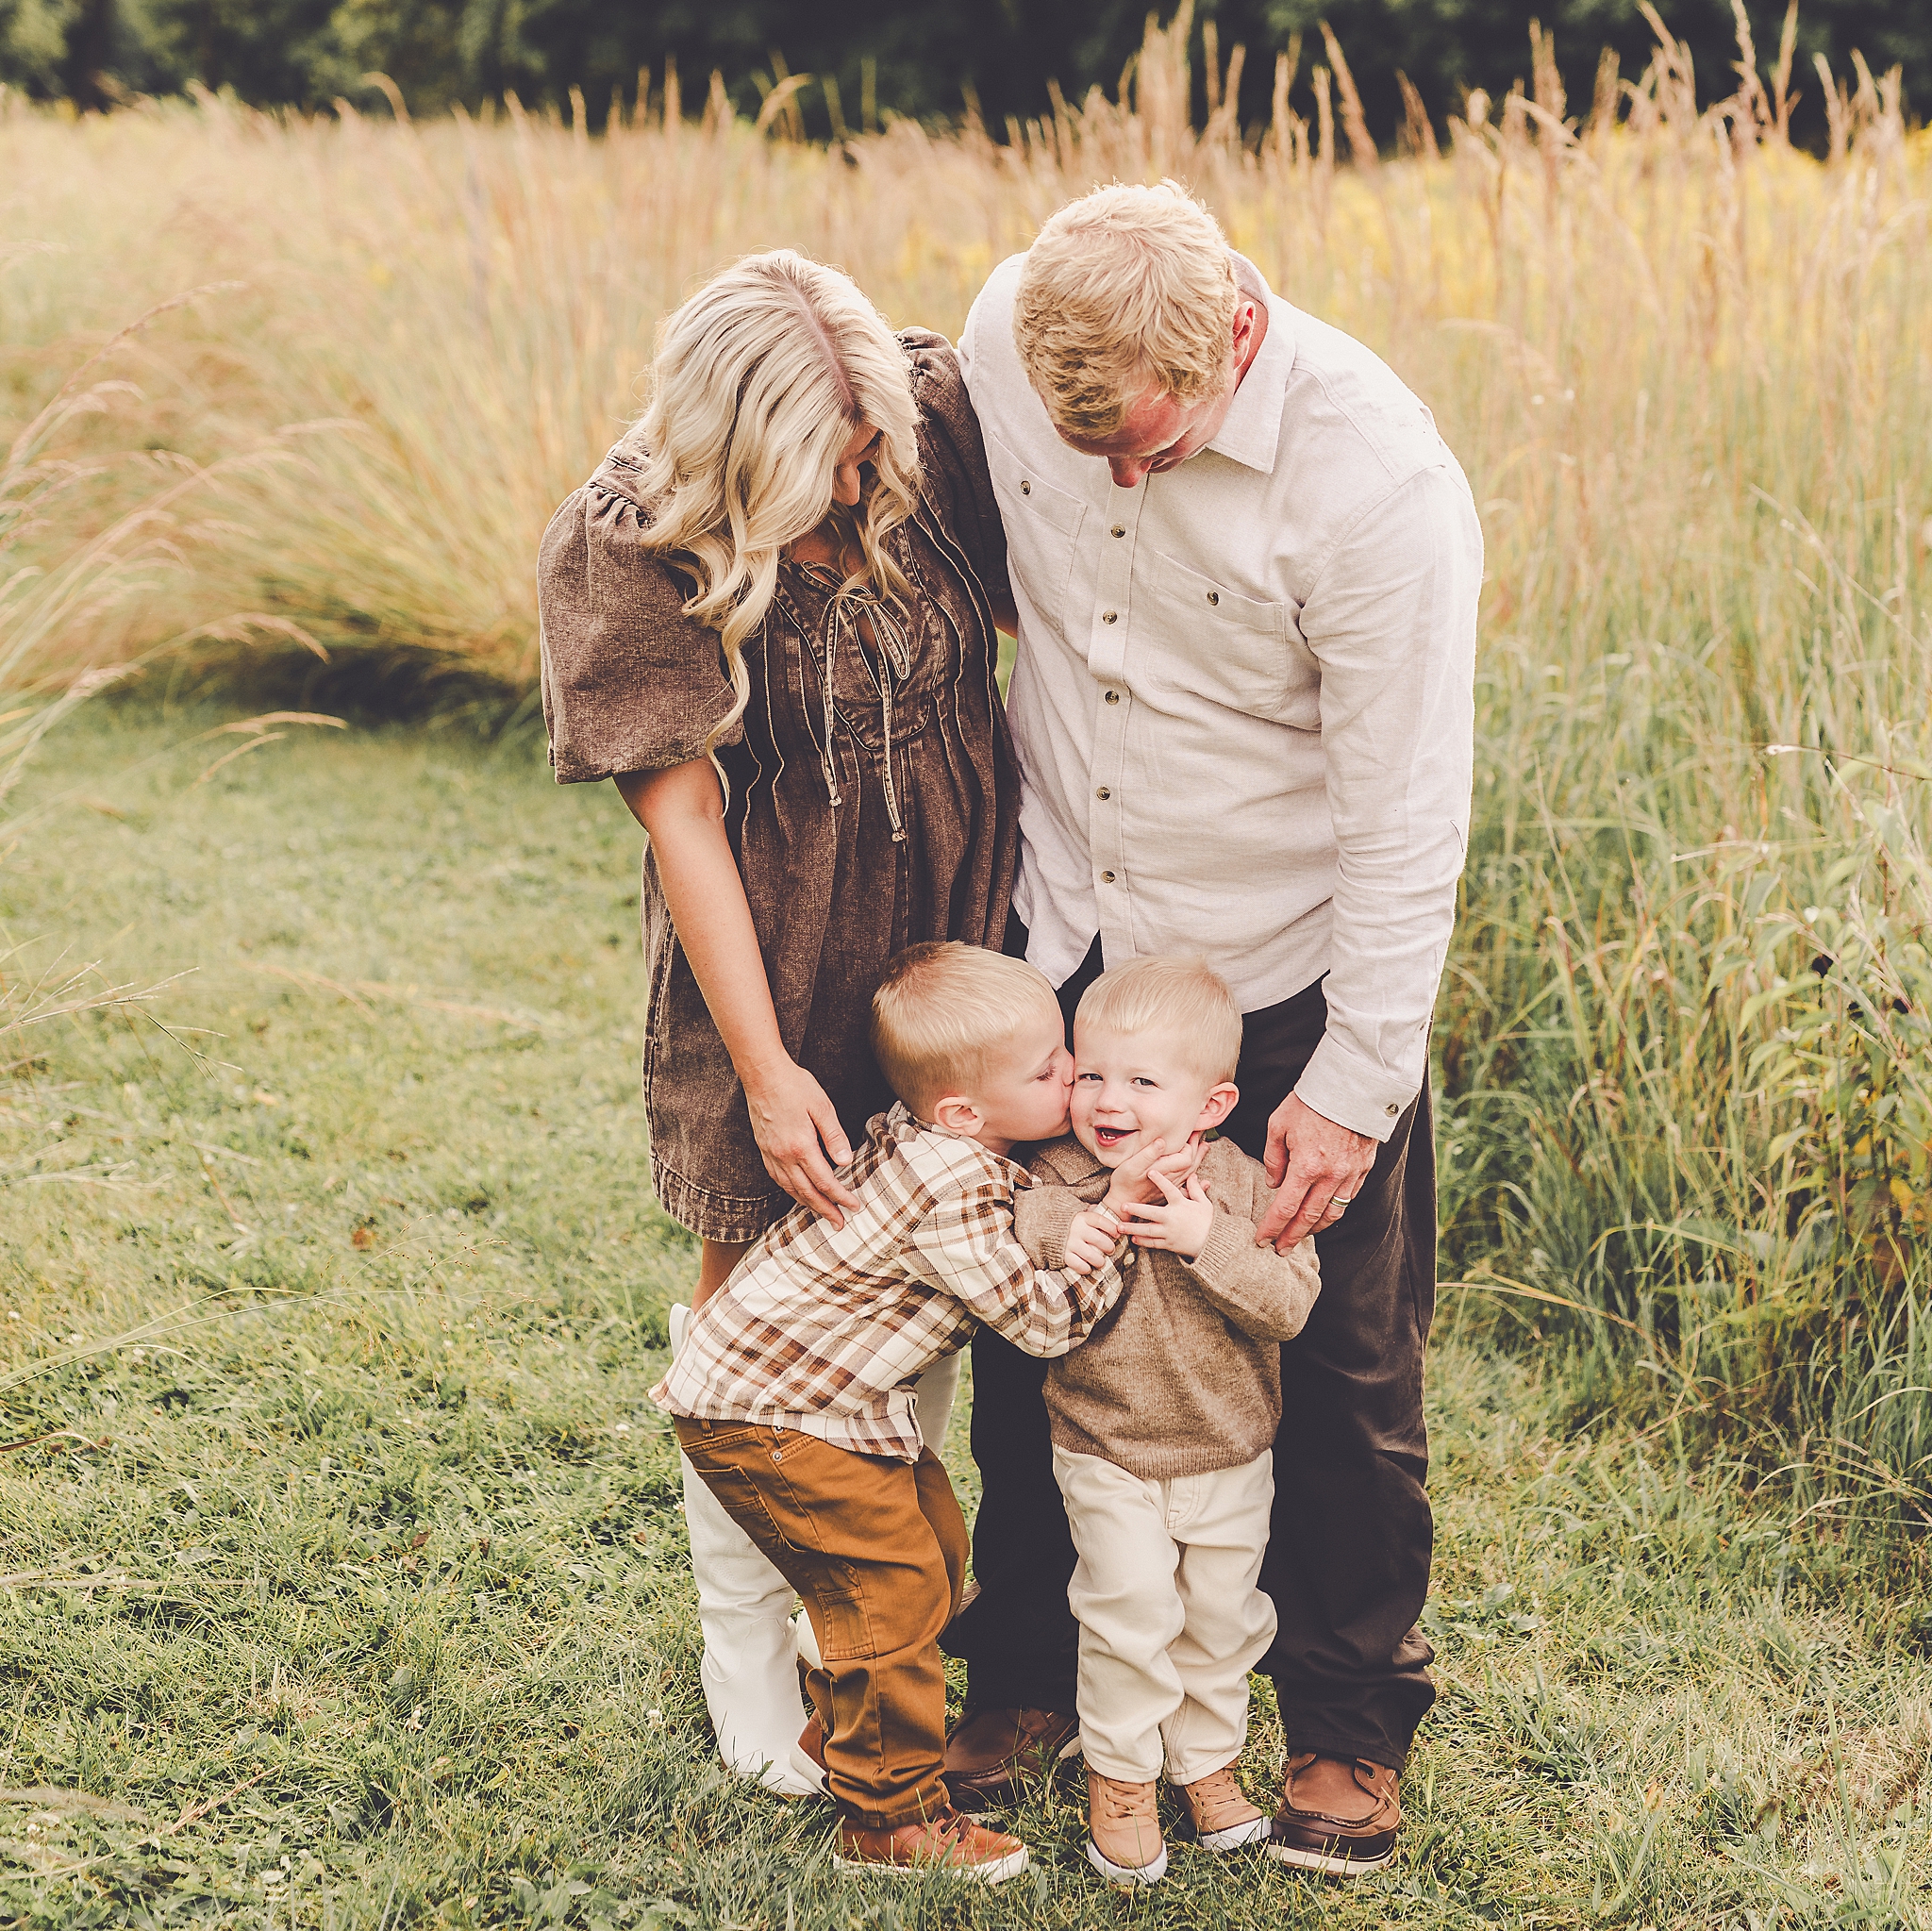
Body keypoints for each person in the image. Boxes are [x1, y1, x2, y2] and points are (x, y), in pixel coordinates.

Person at [944, 182, 1482, 1876]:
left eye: (1146, 452)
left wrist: (1350, 1084)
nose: (1110, 479)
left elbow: (1409, 819)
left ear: (1235, 331)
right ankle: (1031, 1666)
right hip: (1074, 942)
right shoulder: (999, 333)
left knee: (1333, 1356)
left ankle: (1339, 1721)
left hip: (1285, 970)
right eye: (1075, 444)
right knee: (1044, 1307)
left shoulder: (1376, 488)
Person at [538, 250, 1020, 1798]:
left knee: (929, 1250)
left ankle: (856, 1613)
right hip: (775, 935)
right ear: (736, 451)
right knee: (754, 1284)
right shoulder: (633, 538)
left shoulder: (916, 423)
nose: (863, 473)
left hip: (951, 916)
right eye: (827, 458)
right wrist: (763, 1073)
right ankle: (741, 1634)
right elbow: (681, 819)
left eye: (869, 437)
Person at [652, 941, 1129, 1879]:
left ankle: (839, 1737)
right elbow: (1035, 1322)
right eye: (1048, 1069)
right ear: (963, 1110)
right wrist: (1101, 1251)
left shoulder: (932, 1140)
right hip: (772, 1413)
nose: (1070, 1075)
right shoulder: (954, 1189)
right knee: (889, 1587)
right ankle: (890, 1821)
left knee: (936, 1551)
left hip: (814, 1401)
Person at [1010, 957, 1321, 1884]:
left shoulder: (1245, 1185)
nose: (1110, 1098)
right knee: (1128, 1613)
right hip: (1106, 1447)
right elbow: (1033, 1245)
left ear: (1212, 1101)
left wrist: (1205, 1240)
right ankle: (1121, 1772)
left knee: (1220, 1620)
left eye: (1143, 1081)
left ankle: (1205, 1760)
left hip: (1229, 1450)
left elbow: (1287, 1302)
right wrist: (1110, 1206)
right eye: (1093, 1073)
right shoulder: (1056, 1176)